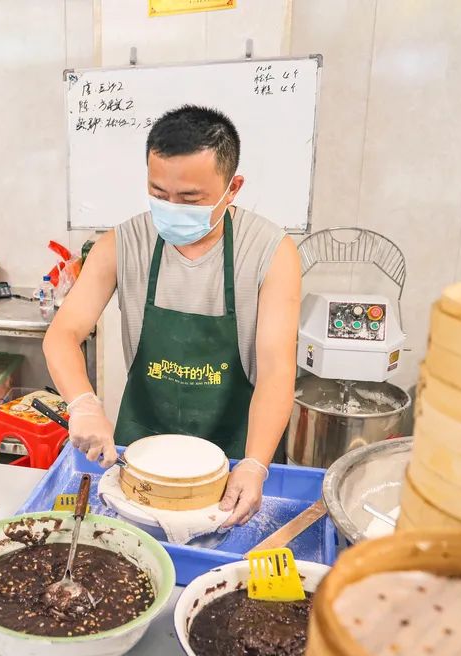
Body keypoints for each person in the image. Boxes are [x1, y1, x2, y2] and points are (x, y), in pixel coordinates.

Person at [43, 106, 300, 527]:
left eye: (190, 199)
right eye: (159, 194)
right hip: (140, 456)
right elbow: (63, 333)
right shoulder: (122, 243)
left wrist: (255, 463)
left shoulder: (271, 252)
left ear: (232, 188)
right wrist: (84, 403)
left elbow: (275, 367)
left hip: (235, 453)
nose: (171, 208)